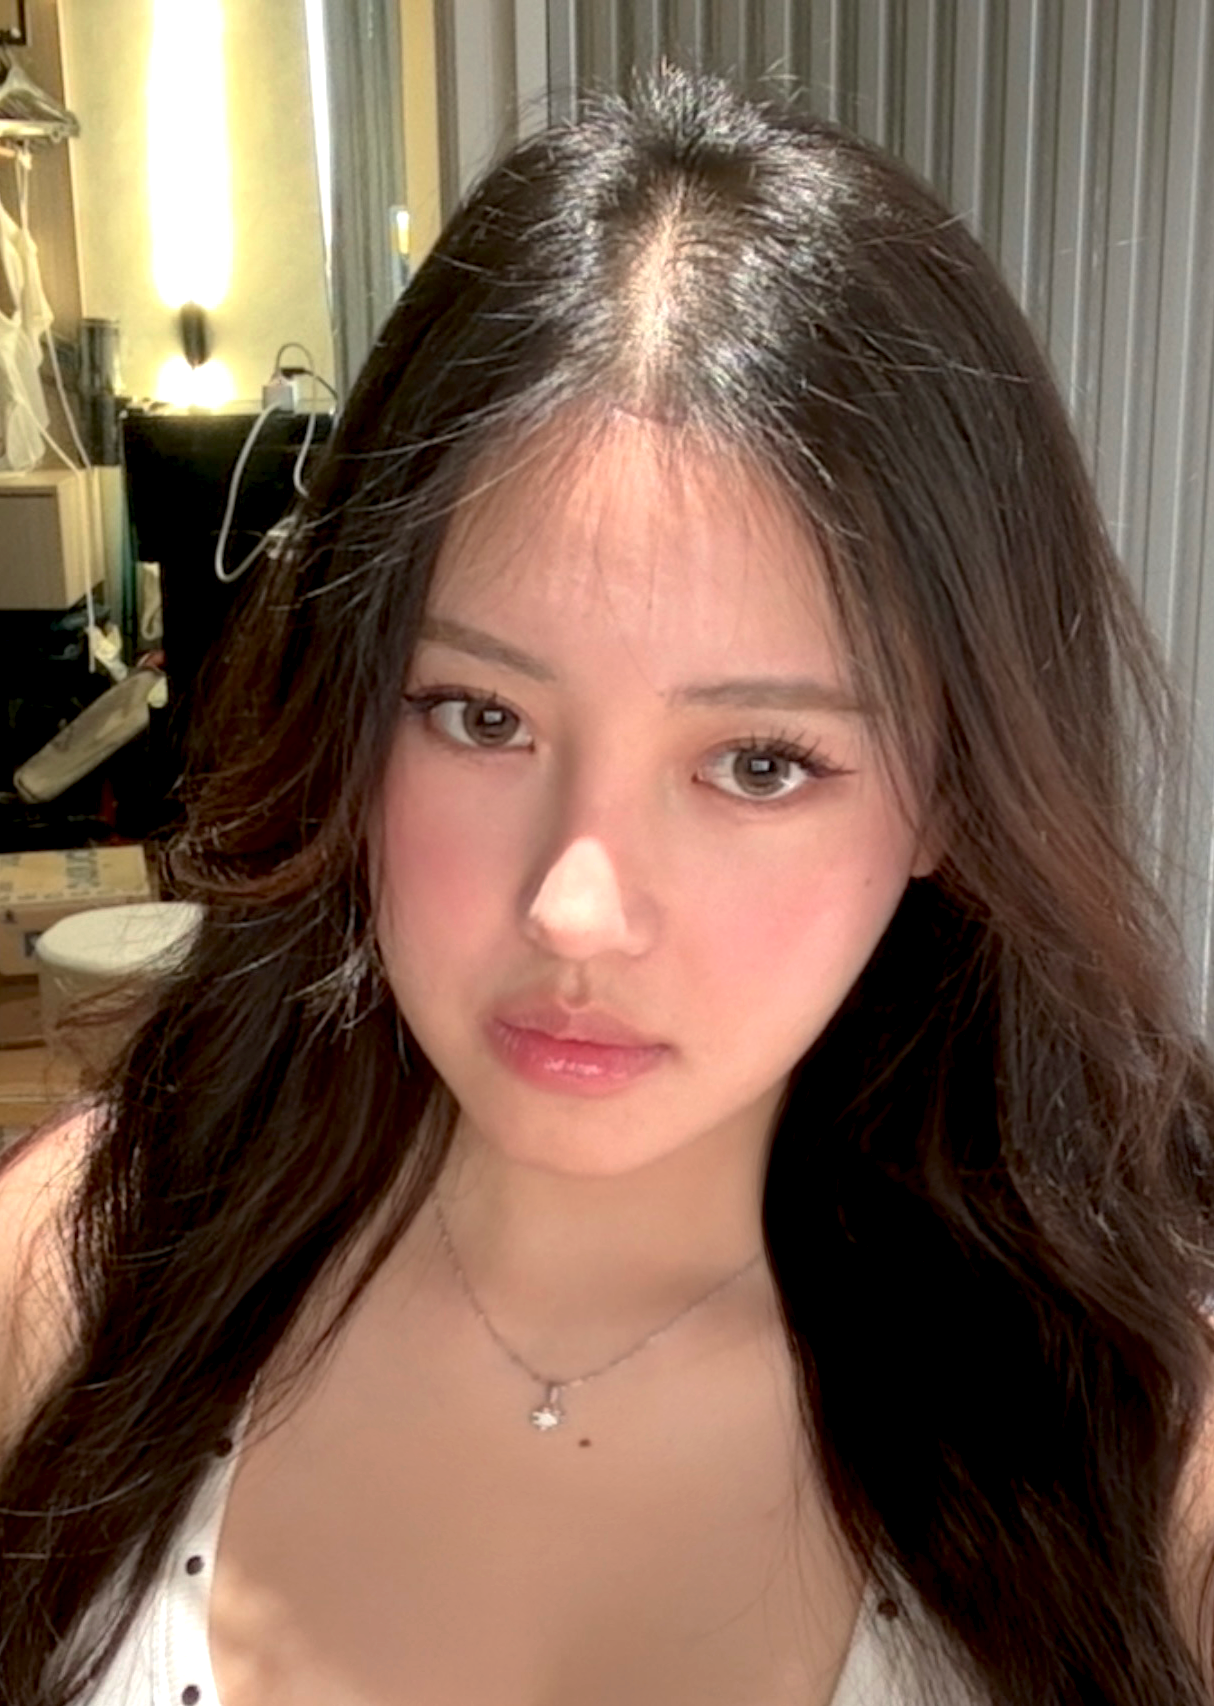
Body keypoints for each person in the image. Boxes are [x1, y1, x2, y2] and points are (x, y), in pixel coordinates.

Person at [2, 67, 1213, 1706]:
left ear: (949, 786)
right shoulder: (79, 1269)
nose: (575, 907)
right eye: (479, 716)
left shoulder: (1134, 1435)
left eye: (759, 761)